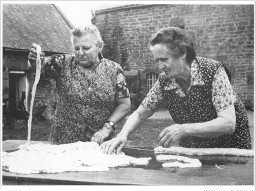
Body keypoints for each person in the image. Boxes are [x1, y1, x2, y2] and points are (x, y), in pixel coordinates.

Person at [101, 27, 251, 154]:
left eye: (164, 60)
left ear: (183, 53)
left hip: (230, 149)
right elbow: (140, 113)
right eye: (157, 60)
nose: (160, 67)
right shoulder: (165, 80)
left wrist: (183, 129)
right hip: (195, 149)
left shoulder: (214, 71)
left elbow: (228, 123)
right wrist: (123, 134)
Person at [28, 24, 131, 144]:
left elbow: (124, 105)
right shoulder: (62, 64)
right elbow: (36, 67)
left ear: (99, 47)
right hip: (63, 144)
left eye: (86, 48)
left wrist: (107, 128)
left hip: (100, 144)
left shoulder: (114, 70)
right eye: (76, 48)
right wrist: (34, 59)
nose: (80, 53)